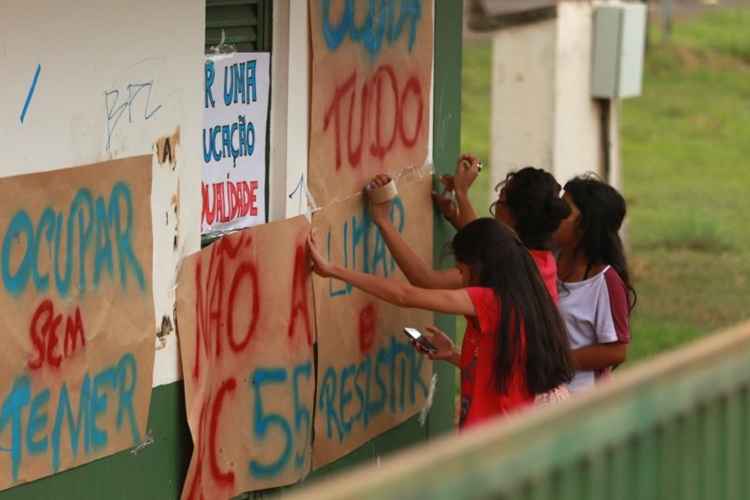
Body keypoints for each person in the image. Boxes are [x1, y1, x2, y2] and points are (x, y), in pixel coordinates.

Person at [308, 218, 574, 428]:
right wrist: (454, 355)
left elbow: (405, 295)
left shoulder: (489, 301)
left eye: (461, 270)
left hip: (492, 441)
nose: (461, 277)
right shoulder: (525, 295)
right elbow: (503, 369)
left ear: (479, 265)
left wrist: (332, 270)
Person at [371, 157, 570, 302]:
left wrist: (383, 220)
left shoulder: (509, 267)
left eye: (499, 202)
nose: (495, 207)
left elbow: (426, 280)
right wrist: (454, 213)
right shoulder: (543, 260)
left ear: (513, 217)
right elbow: (487, 244)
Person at [553, 175, 636, 393]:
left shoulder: (604, 282)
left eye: (564, 210)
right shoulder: (548, 259)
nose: (554, 214)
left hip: (578, 400)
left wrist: (556, 362)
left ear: (585, 226)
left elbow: (616, 351)